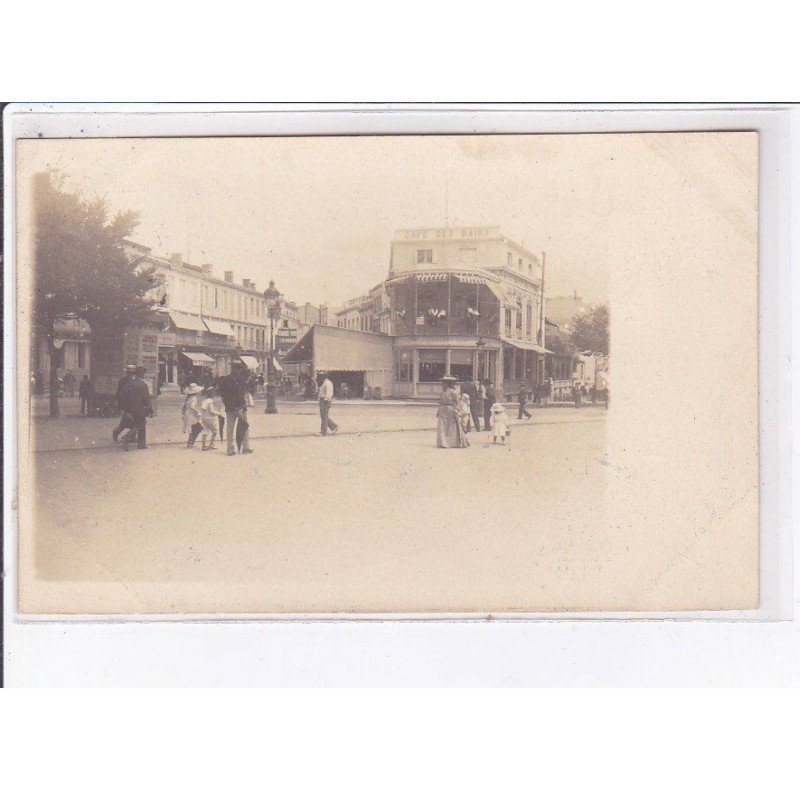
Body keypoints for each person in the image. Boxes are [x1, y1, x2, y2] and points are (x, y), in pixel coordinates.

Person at [219, 369, 253, 455]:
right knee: (244, 426)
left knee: (230, 428)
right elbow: (241, 395)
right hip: (240, 407)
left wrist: (227, 404)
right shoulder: (241, 380)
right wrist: (239, 407)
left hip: (229, 408)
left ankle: (230, 449)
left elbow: (222, 394)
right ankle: (245, 447)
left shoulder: (225, 380)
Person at [119, 367, 153, 451]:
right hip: (140, 409)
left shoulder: (130, 383)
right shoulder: (143, 384)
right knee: (141, 424)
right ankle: (126, 438)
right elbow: (147, 399)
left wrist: (126, 407)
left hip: (130, 409)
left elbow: (123, 395)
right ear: (141, 374)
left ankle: (141, 444)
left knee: (141, 424)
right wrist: (150, 410)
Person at [436, 376, 469, 449]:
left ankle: (452, 443)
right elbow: (440, 402)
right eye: (442, 383)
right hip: (442, 410)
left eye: (444, 383)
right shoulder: (442, 392)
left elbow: (458, 402)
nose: (442, 384)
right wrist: (439, 411)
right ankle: (443, 442)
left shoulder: (453, 392)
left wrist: (456, 409)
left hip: (450, 410)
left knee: (450, 427)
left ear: (447, 384)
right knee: (442, 426)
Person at [112, 365, 137, 442]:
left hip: (126, 405)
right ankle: (123, 435)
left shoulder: (123, 380)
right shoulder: (131, 381)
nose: (131, 374)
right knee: (135, 421)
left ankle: (119, 433)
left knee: (127, 421)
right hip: (130, 405)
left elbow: (118, 393)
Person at [317, 372, 338, 436]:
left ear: (324, 376)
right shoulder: (325, 383)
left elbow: (329, 392)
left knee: (324, 417)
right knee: (323, 416)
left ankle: (323, 432)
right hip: (323, 400)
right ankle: (334, 426)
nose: (319, 378)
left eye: (320, 376)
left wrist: (326, 399)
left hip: (325, 401)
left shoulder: (328, 383)